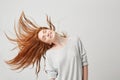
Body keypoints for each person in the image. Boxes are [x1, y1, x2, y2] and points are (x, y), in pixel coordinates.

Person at [5, 11, 88, 80]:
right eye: (44, 38)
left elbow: (84, 64)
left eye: (45, 31)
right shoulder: (50, 54)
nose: (47, 34)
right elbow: (52, 76)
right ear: (47, 43)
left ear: (49, 29)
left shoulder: (75, 40)